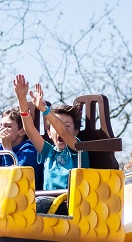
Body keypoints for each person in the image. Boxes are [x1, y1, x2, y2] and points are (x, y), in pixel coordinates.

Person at [13, 74, 88, 214]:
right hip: (47, 199)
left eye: (67, 125)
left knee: (31, 205)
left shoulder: (77, 149)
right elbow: (29, 129)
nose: (60, 129)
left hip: (67, 200)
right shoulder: (48, 151)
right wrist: (22, 99)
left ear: (76, 131)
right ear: (48, 133)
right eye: (53, 127)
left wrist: (44, 110)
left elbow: (64, 133)